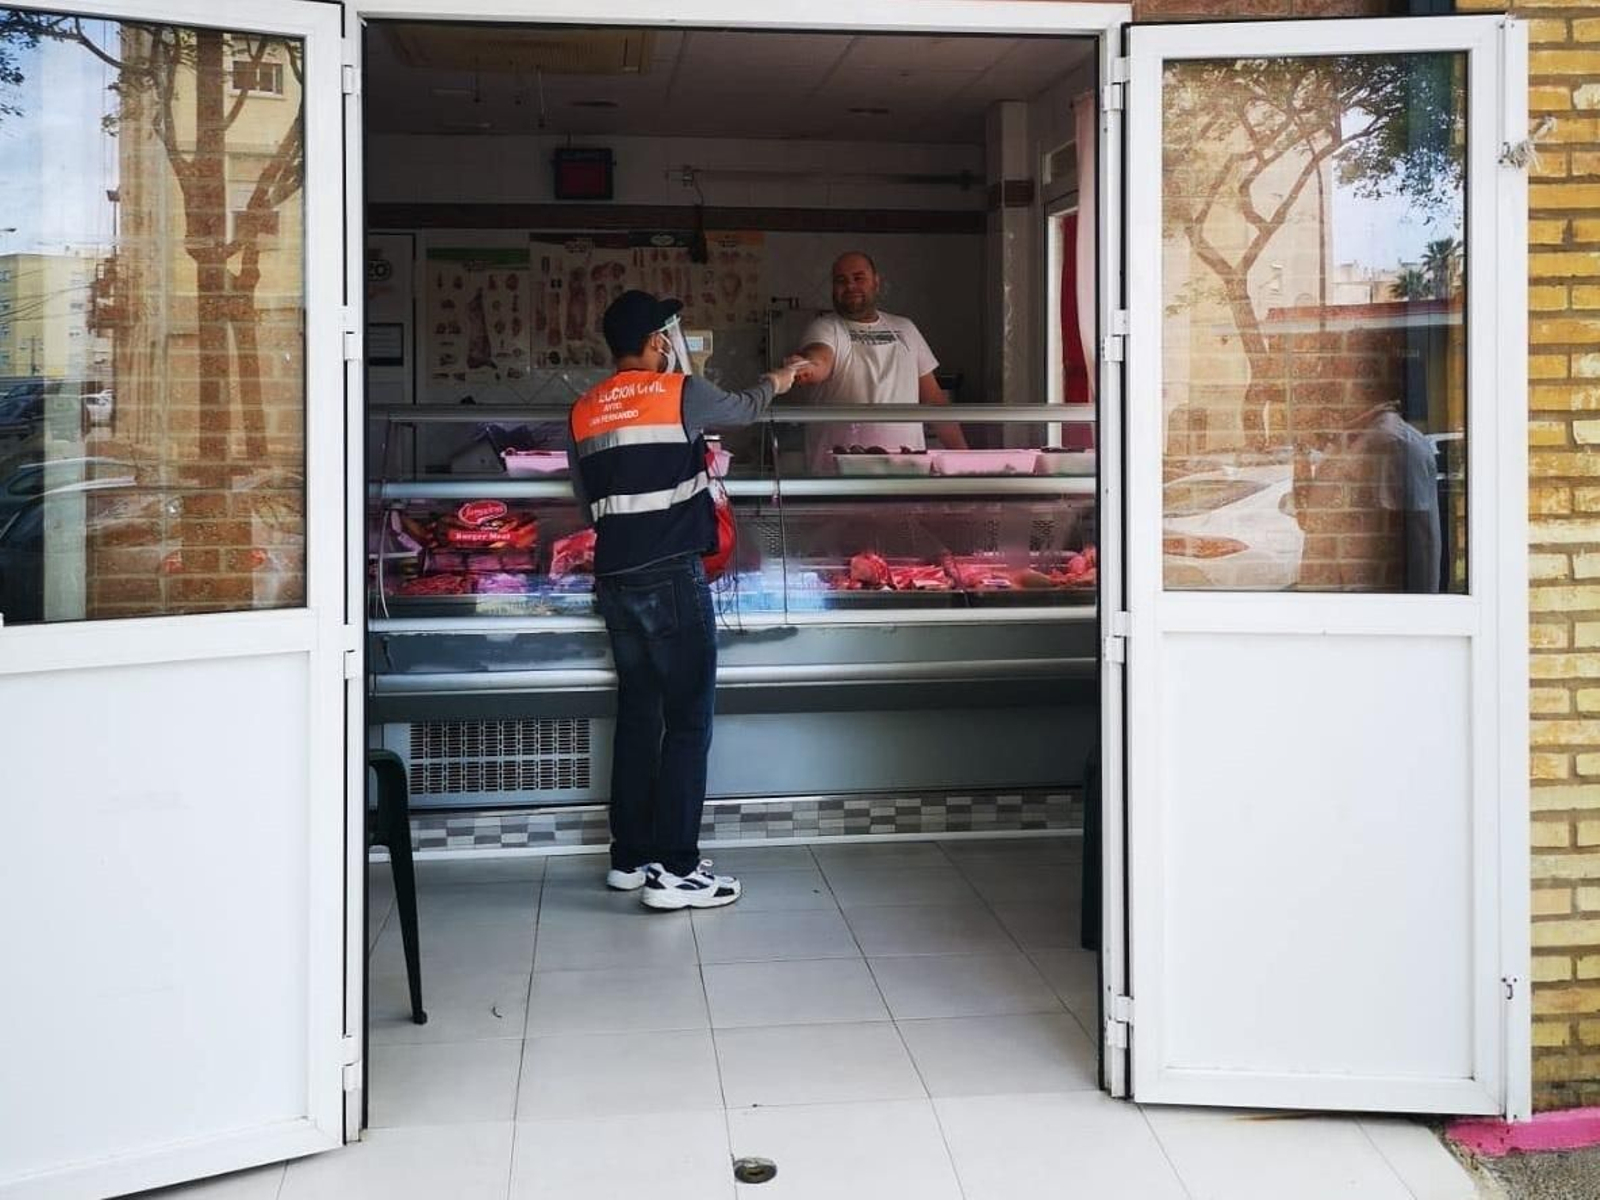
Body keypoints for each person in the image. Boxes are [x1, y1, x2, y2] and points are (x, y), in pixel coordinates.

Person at [566, 290, 806, 910]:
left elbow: (589, 506)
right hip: (672, 576)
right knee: (688, 721)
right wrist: (780, 378)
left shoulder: (583, 409)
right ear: (656, 342)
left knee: (639, 716)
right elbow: (745, 409)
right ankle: (676, 870)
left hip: (615, 579)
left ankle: (629, 857)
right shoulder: (679, 392)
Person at [784, 251, 968, 471]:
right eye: (841, 280)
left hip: (906, 471)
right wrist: (807, 367)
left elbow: (935, 401)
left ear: (876, 282)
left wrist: (963, 460)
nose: (850, 286)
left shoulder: (906, 328)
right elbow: (820, 358)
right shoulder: (825, 327)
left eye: (858, 278)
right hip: (838, 476)